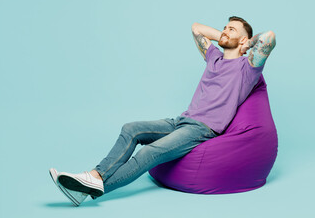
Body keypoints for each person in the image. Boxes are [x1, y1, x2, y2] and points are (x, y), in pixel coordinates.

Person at [49, 16, 276, 206]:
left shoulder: (247, 69)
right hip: (180, 120)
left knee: (149, 153)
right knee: (131, 129)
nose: (225, 30)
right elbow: (196, 28)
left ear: (244, 40)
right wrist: (226, 36)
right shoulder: (214, 59)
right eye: (225, 27)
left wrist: (245, 43)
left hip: (201, 129)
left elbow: (269, 38)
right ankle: (94, 176)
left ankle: (92, 189)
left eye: (231, 29)